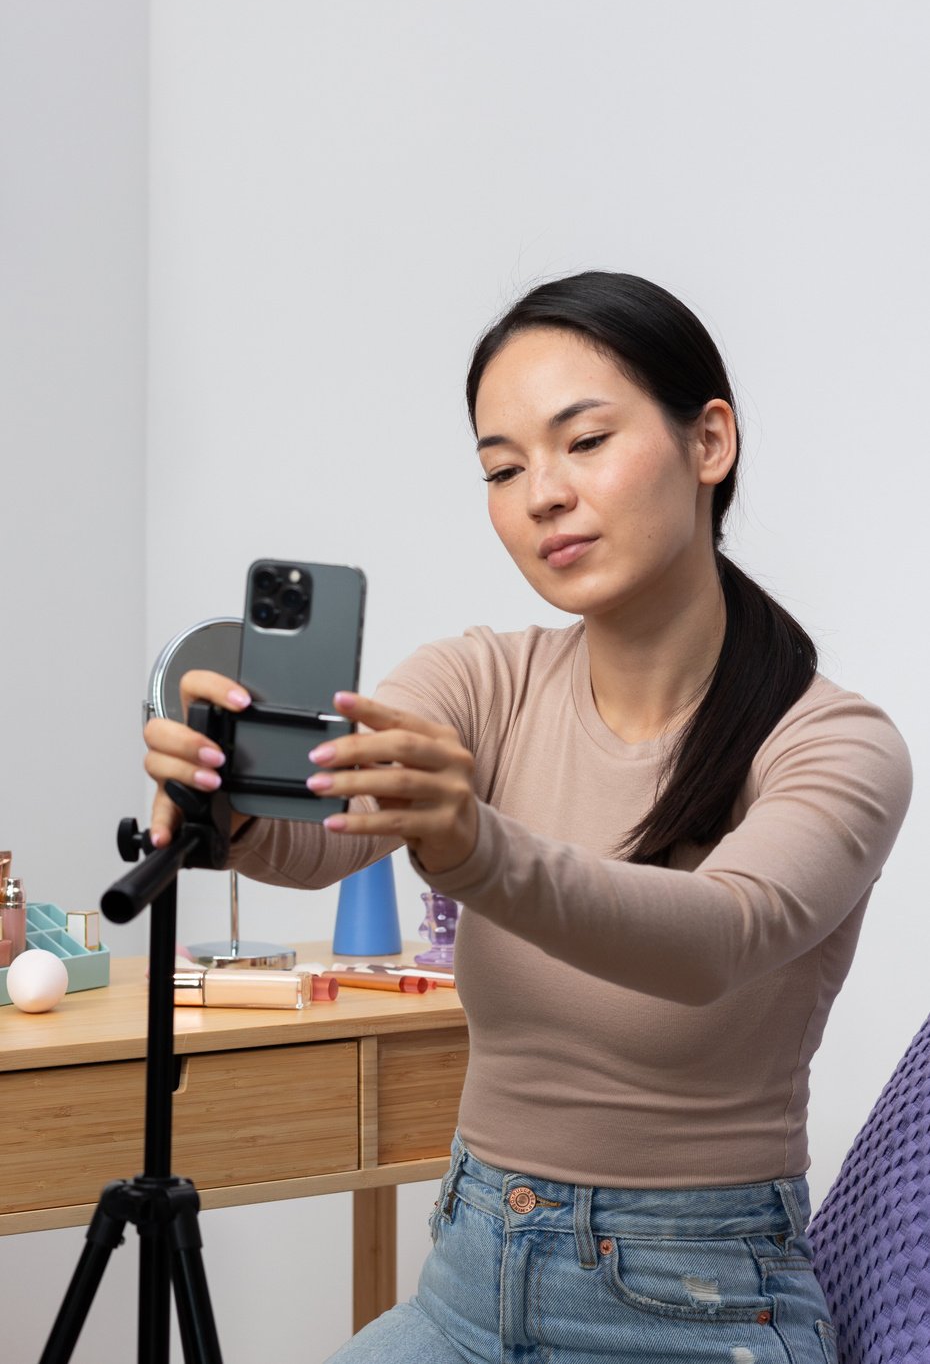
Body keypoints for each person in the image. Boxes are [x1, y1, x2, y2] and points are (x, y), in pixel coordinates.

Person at [143, 272, 912, 1363]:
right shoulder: (480, 678)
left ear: (710, 442)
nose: (540, 493)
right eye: (502, 468)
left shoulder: (837, 743)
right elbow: (329, 831)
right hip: (464, 1286)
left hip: (697, 1310)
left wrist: (474, 845)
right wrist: (221, 797)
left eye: (583, 440)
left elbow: (717, 937)